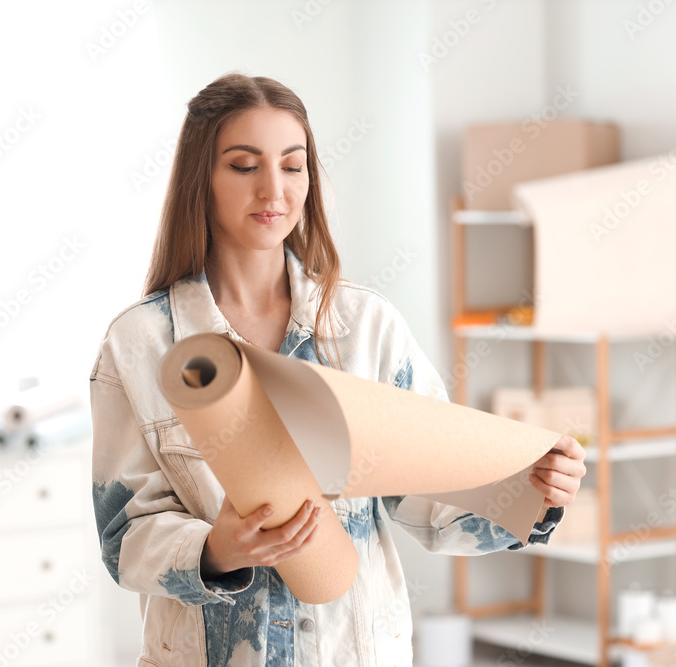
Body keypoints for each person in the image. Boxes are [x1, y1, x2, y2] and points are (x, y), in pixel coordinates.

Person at [89, 72, 587, 667]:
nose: (273, 189)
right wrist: (215, 549)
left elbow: (429, 495)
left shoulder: (366, 327)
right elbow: (125, 537)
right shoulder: (140, 344)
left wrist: (530, 490)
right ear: (203, 179)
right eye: (244, 166)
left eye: (292, 166)